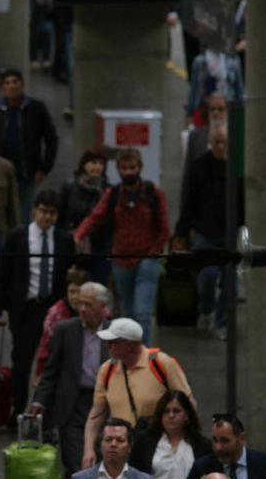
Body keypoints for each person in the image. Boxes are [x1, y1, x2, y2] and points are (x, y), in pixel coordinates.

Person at [0, 191, 74, 418]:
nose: (47, 217)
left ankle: (45, 412)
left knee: (53, 363)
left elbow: (69, 276)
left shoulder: (65, 240)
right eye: (43, 211)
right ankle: (18, 408)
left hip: (54, 311)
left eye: (52, 213)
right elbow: (3, 275)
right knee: (22, 363)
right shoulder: (17, 236)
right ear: (35, 210)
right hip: (26, 309)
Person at [73, 148, 171, 345]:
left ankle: (142, 355)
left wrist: (155, 251)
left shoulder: (154, 193)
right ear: (118, 169)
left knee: (142, 312)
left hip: (146, 259)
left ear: (140, 167)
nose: (128, 172)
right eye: (124, 168)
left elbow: (164, 227)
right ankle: (129, 353)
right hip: (121, 260)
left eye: (132, 167)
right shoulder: (113, 194)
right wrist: (78, 235)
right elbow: (96, 216)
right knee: (126, 313)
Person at [83, 318, 196, 472]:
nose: (107, 346)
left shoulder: (161, 363)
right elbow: (97, 412)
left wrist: (181, 444)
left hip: (157, 449)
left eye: (113, 341)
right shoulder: (107, 370)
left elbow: (188, 403)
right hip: (122, 449)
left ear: (128, 345)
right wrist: (88, 449)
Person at [28, 281, 112, 476]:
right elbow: (51, 370)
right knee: (78, 460)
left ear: (102, 306)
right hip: (72, 403)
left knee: (100, 454)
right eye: (80, 304)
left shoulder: (114, 332)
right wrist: (39, 400)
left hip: (103, 402)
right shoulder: (65, 330)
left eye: (87, 305)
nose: (82, 309)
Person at [174, 124, 241, 338]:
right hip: (205, 232)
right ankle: (205, 309)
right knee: (207, 277)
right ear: (211, 143)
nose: (221, 147)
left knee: (230, 282)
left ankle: (222, 322)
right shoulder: (199, 167)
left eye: (224, 143)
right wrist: (182, 231)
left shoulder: (236, 170)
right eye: (217, 142)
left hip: (230, 234)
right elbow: (190, 200)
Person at [0, 69, 60, 216]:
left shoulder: (36, 108)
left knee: (23, 216)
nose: (12, 86)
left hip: (27, 174)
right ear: (3, 88)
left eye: (15, 82)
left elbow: (51, 139)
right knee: (1, 214)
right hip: (1, 174)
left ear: (22, 85)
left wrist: (44, 168)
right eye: (7, 83)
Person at [59, 147, 112, 284]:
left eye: (101, 164)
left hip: (100, 249)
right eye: (93, 163)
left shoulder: (108, 190)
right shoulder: (70, 186)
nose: (97, 167)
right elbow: (61, 216)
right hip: (75, 248)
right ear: (84, 164)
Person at [34, 267, 91, 390]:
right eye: (72, 292)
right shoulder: (55, 313)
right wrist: (40, 374)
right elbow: (45, 346)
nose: (75, 297)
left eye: (79, 292)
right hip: (62, 365)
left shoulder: (97, 311)